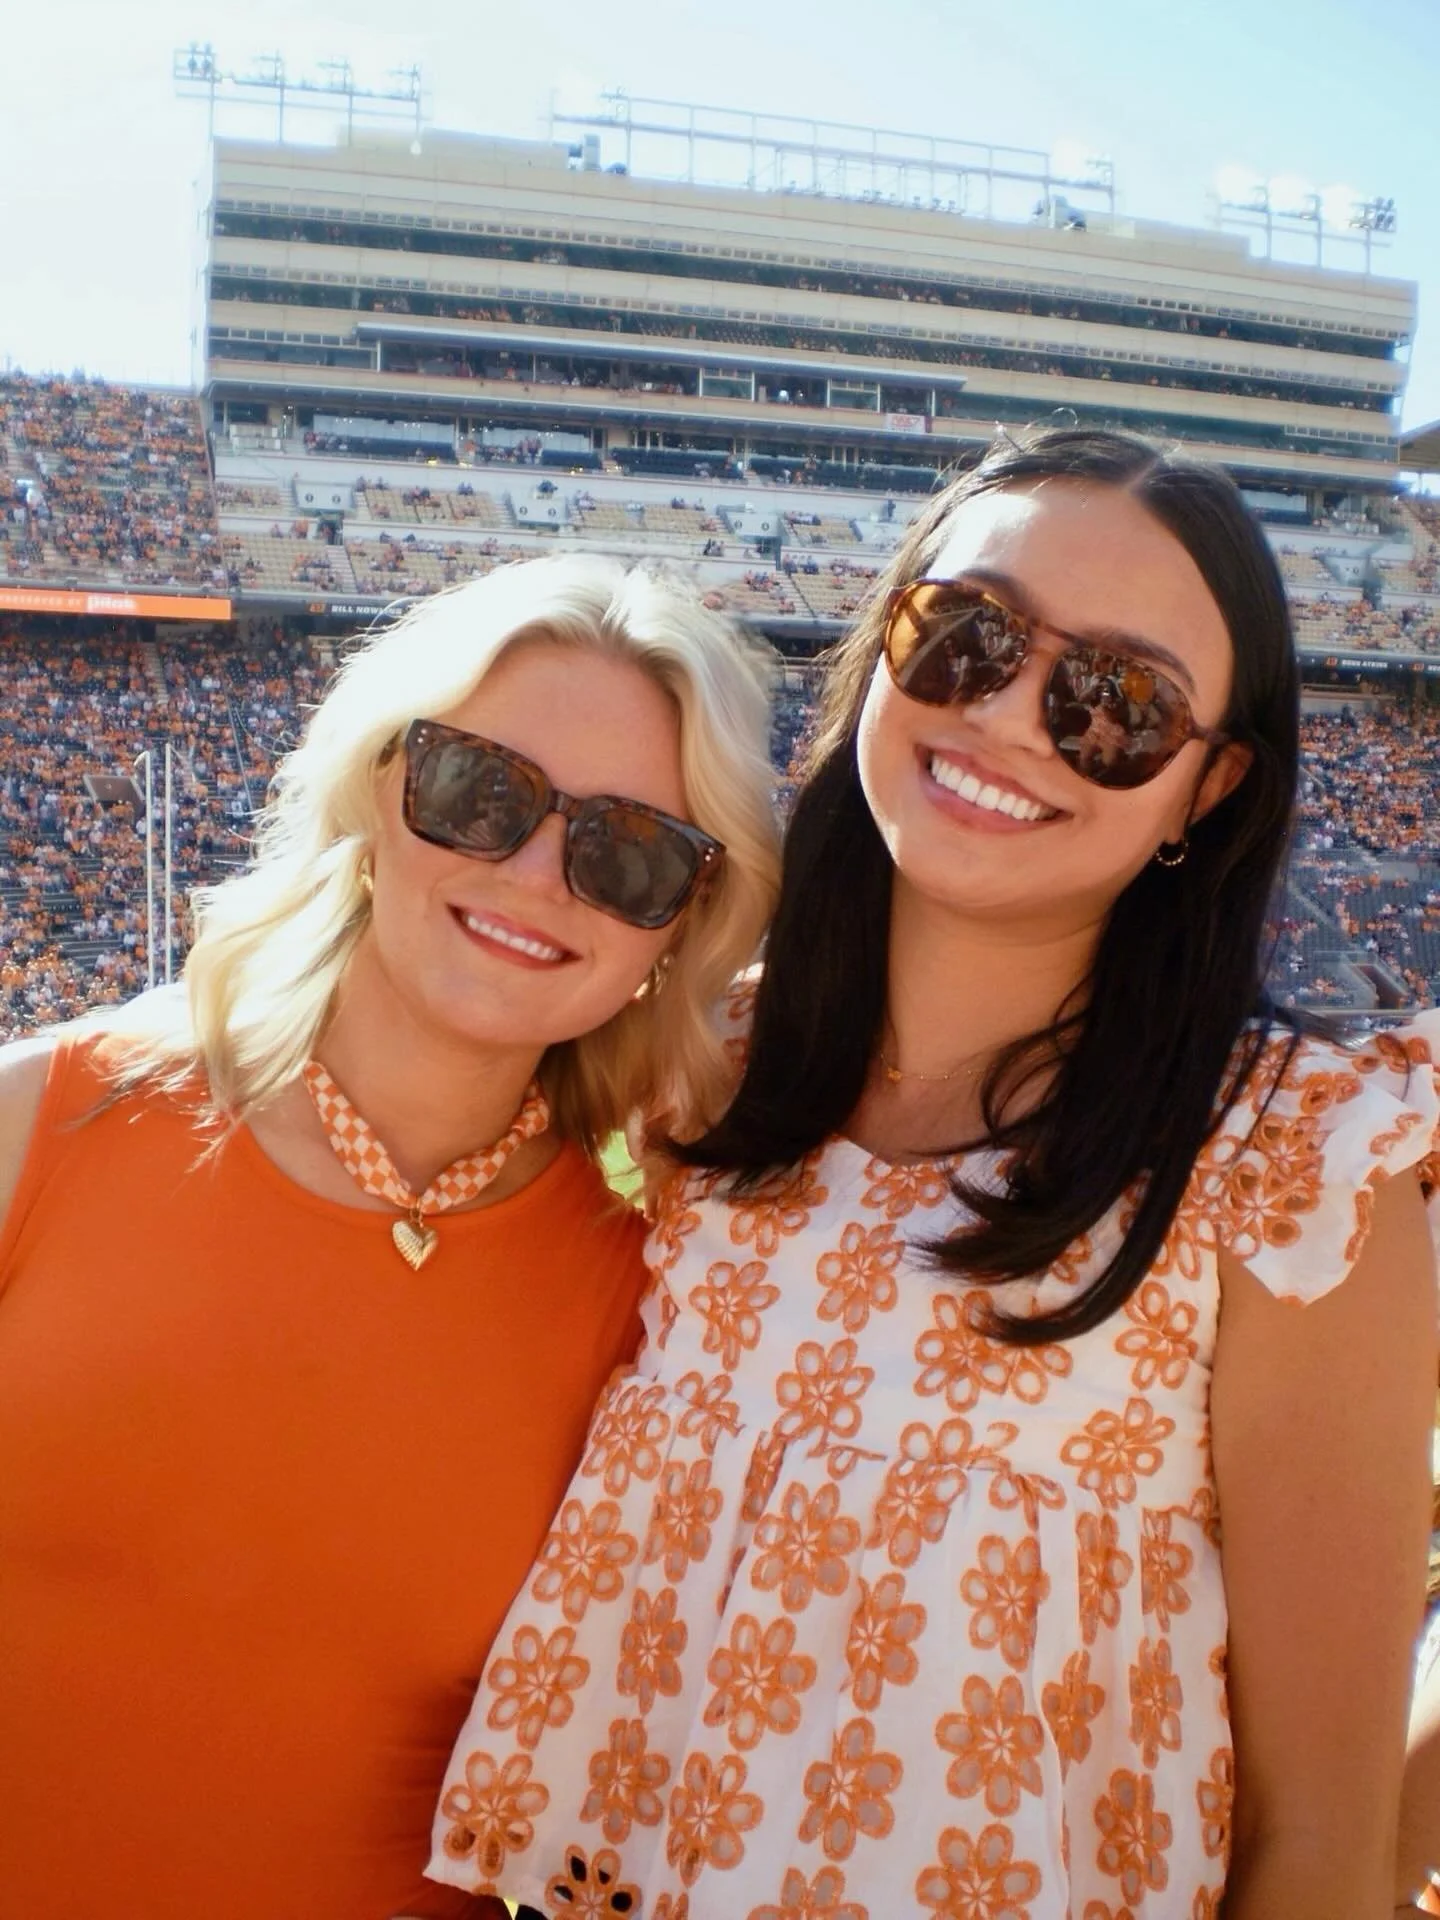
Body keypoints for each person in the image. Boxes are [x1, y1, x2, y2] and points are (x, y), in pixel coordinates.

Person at [429, 430, 1440, 1919]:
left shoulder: (1294, 1166)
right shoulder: (701, 1063)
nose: (1016, 717)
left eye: (1119, 704)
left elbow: (1326, 1849)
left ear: (1210, 786)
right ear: (885, 642)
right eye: (966, 635)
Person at [0, 554, 780, 1920]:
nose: (539, 874)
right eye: (481, 792)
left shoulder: (662, 1298)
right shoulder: (40, 1124)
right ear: (376, 788)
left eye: (630, 853)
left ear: (682, 923)